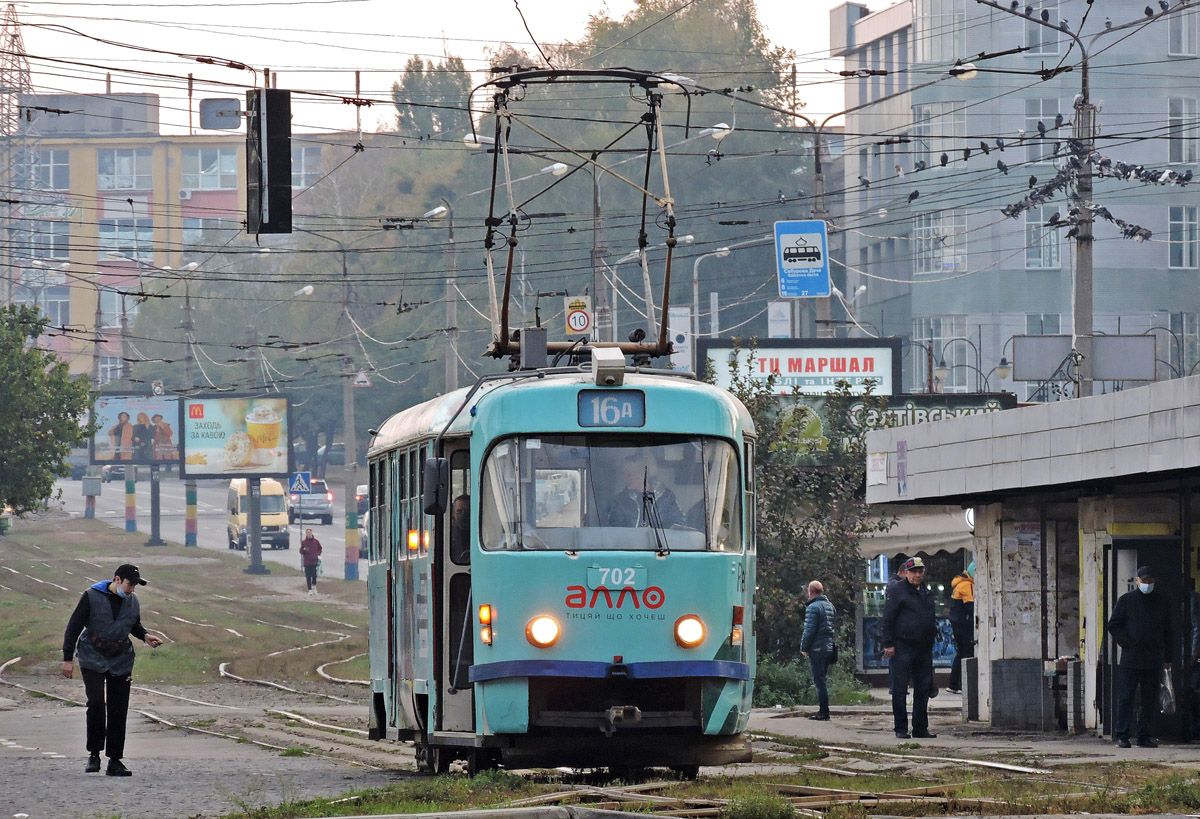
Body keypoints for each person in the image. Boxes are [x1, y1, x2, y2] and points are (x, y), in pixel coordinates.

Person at [61, 563, 163, 776]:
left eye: (134, 586)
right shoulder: (91, 596)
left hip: (121, 659)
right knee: (97, 703)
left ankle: (115, 761)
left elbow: (133, 625)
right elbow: (74, 626)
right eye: (129, 584)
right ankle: (94, 754)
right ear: (117, 580)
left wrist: (145, 636)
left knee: (118, 708)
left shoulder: (133, 601)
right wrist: (67, 659)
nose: (132, 589)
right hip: (91, 656)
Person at [1107, 566, 1174, 749]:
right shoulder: (1126, 600)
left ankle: (1143, 736)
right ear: (1137, 581)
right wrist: (1127, 642)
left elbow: (1168, 630)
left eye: (1150, 581)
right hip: (1131, 658)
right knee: (1126, 698)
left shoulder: (1161, 601)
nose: (1147, 584)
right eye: (1144, 581)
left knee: (1149, 699)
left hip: (1153, 658)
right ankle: (1122, 735)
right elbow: (1113, 625)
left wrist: (1168, 656)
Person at [881, 556, 938, 739]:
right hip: (902, 645)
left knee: (923, 689)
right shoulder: (897, 590)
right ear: (906, 572)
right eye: (914, 572)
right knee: (900, 689)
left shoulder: (925, 591)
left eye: (920, 571)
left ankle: (920, 728)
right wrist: (888, 643)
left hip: (923, 647)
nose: (917, 575)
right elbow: (888, 618)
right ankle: (901, 728)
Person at [606, 454, 683, 528]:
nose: (625, 478)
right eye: (623, 474)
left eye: (629, 474)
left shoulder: (667, 496)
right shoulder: (620, 500)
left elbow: (679, 523)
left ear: (643, 474)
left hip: (658, 538)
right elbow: (614, 529)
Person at [800, 580, 836, 721]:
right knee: (823, 679)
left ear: (810, 592)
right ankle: (824, 710)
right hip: (828, 647)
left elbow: (809, 630)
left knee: (819, 681)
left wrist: (804, 647)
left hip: (817, 648)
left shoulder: (813, 608)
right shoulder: (830, 606)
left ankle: (823, 711)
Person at [947, 561, 976, 694]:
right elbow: (971, 607)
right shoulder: (966, 585)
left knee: (961, 652)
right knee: (967, 653)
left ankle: (954, 684)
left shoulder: (961, 583)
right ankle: (962, 684)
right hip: (963, 624)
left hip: (958, 623)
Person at [300, 529, 323, 594]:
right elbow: (301, 551)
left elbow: (320, 548)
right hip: (307, 562)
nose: (308, 534)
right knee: (308, 576)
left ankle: (314, 585)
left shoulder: (316, 541)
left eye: (309, 532)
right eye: (307, 533)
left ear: (311, 533)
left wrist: (317, 554)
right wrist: (304, 550)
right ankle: (309, 590)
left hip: (314, 561)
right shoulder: (304, 542)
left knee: (314, 575)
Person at [450, 494, 471, 564]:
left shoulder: (483, 534)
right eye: (459, 511)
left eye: (468, 511)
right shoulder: (448, 535)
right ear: (453, 513)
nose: (463, 514)